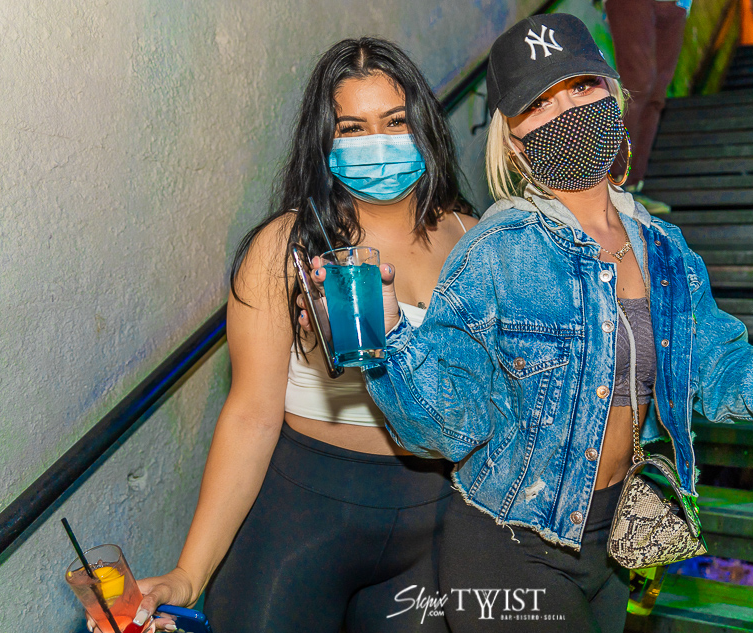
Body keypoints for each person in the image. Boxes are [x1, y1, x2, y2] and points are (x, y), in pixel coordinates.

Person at [312, 14, 753, 631]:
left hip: (615, 545)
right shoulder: (496, 250)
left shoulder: (666, 249)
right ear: (513, 142)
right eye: (538, 103)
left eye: (581, 86)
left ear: (615, 96)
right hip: (507, 547)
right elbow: (451, 426)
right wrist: (387, 342)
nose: (567, 111)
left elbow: (716, 366)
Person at [89, 37, 477, 633]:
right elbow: (251, 415)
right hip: (302, 520)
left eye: (395, 121)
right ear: (325, 142)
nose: (377, 142)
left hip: (436, 525)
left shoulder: (478, 242)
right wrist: (189, 573)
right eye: (352, 128)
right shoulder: (286, 248)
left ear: (424, 124)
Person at [603, 0, 690, 215]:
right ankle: (607, 184)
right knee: (639, 83)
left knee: (656, 96)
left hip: (678, 4)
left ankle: (631, 187)